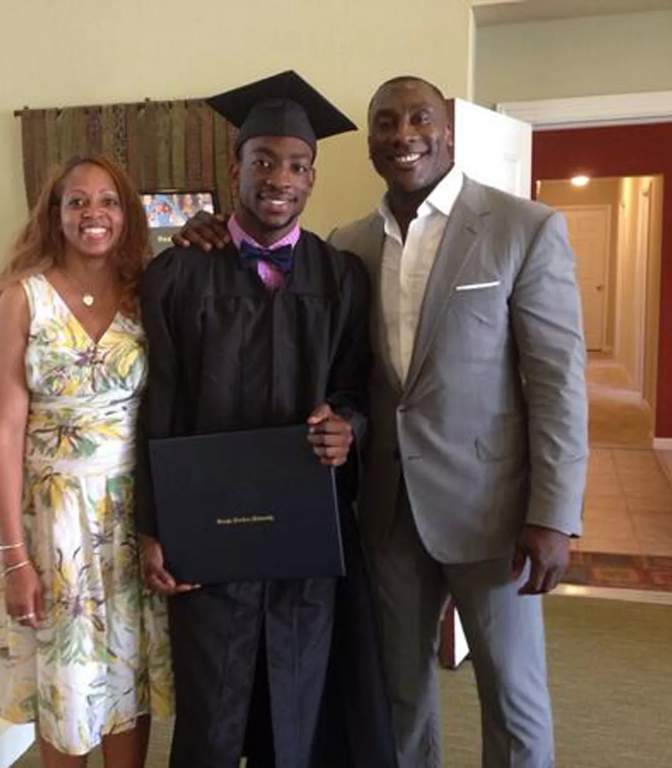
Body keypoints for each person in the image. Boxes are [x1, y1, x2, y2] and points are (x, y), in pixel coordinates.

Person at [174, 75, 589, 768]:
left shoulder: (524, 228)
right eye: (387, 123)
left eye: (420, 119)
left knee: (513, 700)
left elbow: (556, 383)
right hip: (387, 517)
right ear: (369, 143)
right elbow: (346, 379)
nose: (404, 135)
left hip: (492, 514)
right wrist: (206, 230)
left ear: (448, 130)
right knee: (397, 699)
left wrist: (555, 513)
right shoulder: (347, 248)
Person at [134, 71, 395, 768]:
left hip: (305, 535)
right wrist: (152, 527)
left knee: (299, 698)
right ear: (235, 169)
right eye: (263, 161)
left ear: (312, 178)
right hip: (207, 537)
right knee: (213, 706)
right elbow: (154, 407)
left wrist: (348, 426)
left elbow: (355, 388)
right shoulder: (179, 276)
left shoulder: (339, 277)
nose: (279, 177)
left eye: (297, 165)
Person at [0, 155, 173, 767]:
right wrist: (14, 557)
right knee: (66, 685)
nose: (93, 214)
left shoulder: (147, 293)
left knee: (124, 679)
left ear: (126, 214)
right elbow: (2, 430)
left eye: (107, 201)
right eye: (77, 202)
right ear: (54, 216)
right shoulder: (23, 299)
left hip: (129, 519)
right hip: (51, 526)